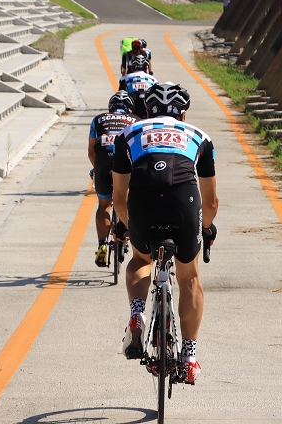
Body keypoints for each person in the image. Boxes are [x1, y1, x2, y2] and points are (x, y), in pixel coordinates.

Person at [113, 83, 219, 385]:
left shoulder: (129, 133)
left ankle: (137, 314)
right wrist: (206, 228)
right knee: (190, 278)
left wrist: (128, 226)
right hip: (184, 202)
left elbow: (119, 199)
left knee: (139, 261)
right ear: (183, 113)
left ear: (147, 110)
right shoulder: (199, 136)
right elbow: (211, 202)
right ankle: (189, 356)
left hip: (143, 200)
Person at [87, 91, 139, 266]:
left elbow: (91, 151)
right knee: (128, 200)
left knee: (103, 205)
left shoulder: (98, 119)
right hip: (124, 161)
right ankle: (128, 232)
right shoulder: (136, 120)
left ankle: (102, 244)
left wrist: (96, 168)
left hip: (103, 160)